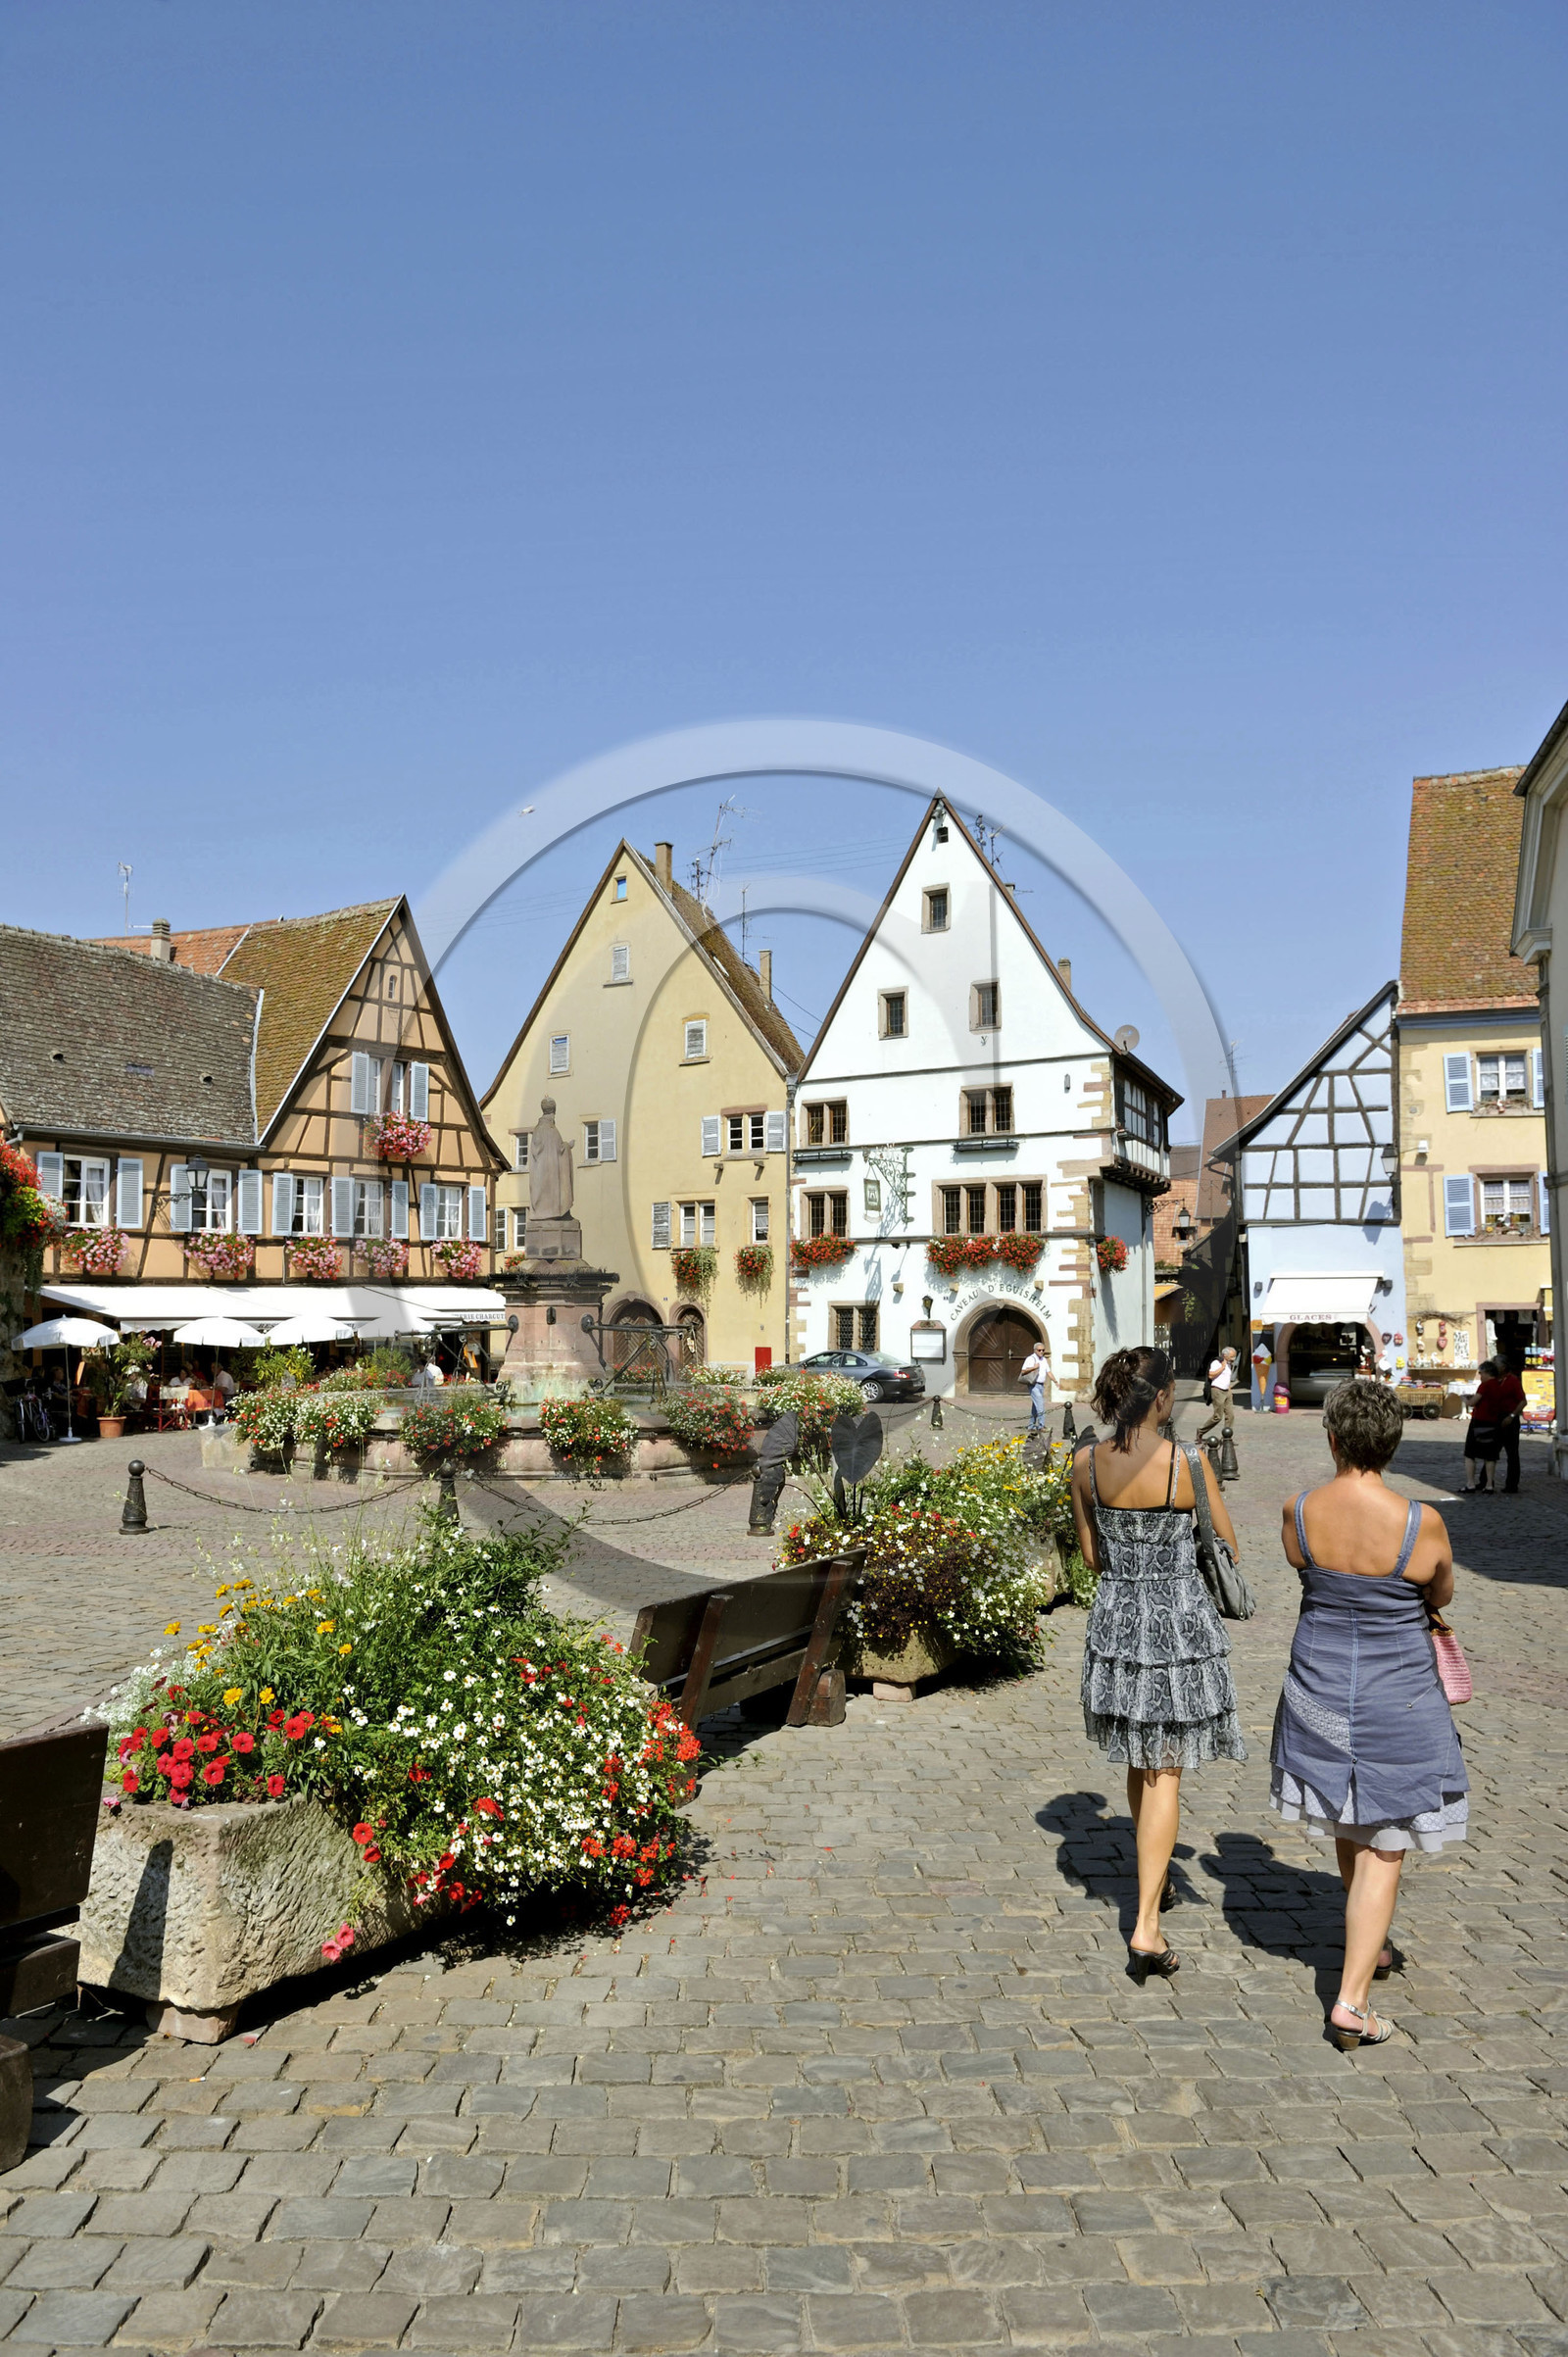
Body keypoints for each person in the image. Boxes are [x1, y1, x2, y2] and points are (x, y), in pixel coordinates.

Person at [1272, 1380, 1465, 2049]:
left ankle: (1370, 1944)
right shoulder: (1420, 1521)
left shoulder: (1299, 1511)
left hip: (1318, 1690)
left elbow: (1302, 1565)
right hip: (1397, 1697)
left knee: (1348, 1815)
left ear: (1331, 1438)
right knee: (1386, 1843)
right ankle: (1350, 2002)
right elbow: (1441, 1586)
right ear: (1393, 1441)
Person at [1071, 1346, 1246, 1981]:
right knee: (1165, 1772)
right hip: (1176, 1629)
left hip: (1118, 1627)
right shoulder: (1187, 1463)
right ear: (1164, 1397)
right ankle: (1146, 1924)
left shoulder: (1086, 1462)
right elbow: (1227, 1545)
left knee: (1140, 1759)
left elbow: (1093, 1559)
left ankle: (1156, 1875)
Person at [1462, 1358, 1515, 1494]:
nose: (1480, 1376)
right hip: (1494, 1422)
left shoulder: (1485, 1385)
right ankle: (1490, 1485)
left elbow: (1474, 1402)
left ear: (1487, 1372)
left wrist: (1465, 1400)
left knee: (1470, 1454)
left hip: (1479, 1421)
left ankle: (1470, 1484)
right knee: (1490, 1455)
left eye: (1481, 1373)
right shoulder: (1498, 1385)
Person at [1197, 1345, 1238, 1446]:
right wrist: (1222, 1367)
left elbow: (1226, 1379)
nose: (1233, 1359)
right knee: (1218, 1416)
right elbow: (1211, 1375)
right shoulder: (1217, 1362)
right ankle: (1201, 1431)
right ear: (1225, 1355)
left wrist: (1229, 1390)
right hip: (1217, 1391)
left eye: (1234, 1356)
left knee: (1230, 1415)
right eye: (1231, 1356)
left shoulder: (1229, 1364)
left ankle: (1226, 1438)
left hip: (1226, 1391)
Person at [1020, 1344, 1047, 1434]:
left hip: (1041, 1385)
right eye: (1039, 1350)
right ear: (1035, 1350)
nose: (1041, 1352)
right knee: (1040, 1404)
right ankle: (1041, 1426)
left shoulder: (1044, 1359)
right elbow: (1023, 1371)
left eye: (1043, 1350)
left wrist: (1055, 1381)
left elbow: (1048, 1371)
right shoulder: (1030, 1359)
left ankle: (1031, 1425)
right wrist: (1034, 1368)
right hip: (1033, 1384)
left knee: (1035, 1406)